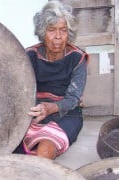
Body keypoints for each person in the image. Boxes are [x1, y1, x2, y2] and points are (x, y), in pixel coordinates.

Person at [14, 1, 88, 160]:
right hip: (34, 111)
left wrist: (51, 107)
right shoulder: (30, 56)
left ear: (69, 33)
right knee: (11, 141)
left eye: (63, 30)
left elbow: (73, 98)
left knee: (47, 145)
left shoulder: (77, 58)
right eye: (51, 30)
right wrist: (36, 109)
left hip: (66, 113)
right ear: (42, 32)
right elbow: (20, 90)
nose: (58, 37)